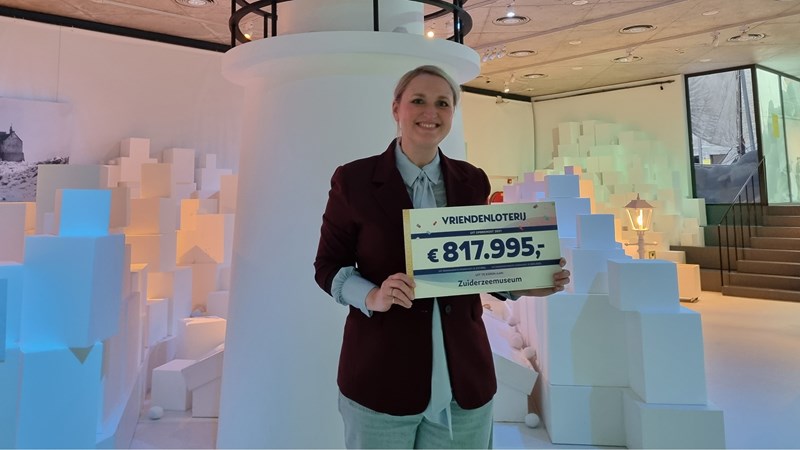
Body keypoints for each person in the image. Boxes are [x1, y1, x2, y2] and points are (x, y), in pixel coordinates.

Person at [314, 65, 571, 449]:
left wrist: (522, 284)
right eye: (418, 100)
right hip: (381, 377)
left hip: (463, 380)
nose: (430, 112)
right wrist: (372, 295)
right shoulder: (353, 180)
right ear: (396, 108)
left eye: (443, 103)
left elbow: (475, 263)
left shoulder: (472, 180)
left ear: (453, 112)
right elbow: (328, 265)